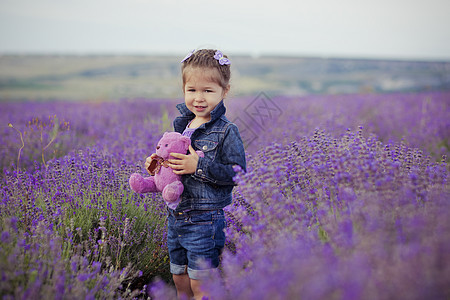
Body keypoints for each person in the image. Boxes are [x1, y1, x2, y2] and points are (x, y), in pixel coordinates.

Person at [145, 49, 246, 299]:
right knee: (179, 278)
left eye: (208, 91)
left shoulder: (226, 131)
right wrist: (158, 164)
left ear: (225, 91)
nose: (199, 98)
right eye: (192, 90)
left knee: (201, 284)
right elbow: (174, 166)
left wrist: (197, 166)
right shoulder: (181, 126)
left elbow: (238, 173)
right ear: (184, 89)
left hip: (205, 220)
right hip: (175, 217)